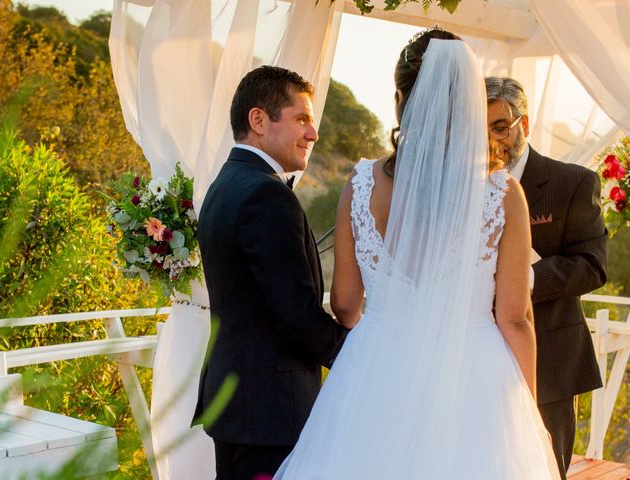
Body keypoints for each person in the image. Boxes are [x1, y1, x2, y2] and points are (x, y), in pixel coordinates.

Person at [274, 28, 560, 480]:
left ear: (401, 99)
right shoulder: (503, 192)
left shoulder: (361, 183)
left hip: (378, 366)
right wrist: (528, 411)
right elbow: (514, 317)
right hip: (474, 374)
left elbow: (346, 302)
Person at [192, 66, 348, 479]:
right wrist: (357, 354)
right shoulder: (265, 194)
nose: (313, 133)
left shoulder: (226, 185)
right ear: (258, 120)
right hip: (269, 409)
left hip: (242, 404)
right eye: (301, 118)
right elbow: (294, 311)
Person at [485, 76, 608, 479]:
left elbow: (592, 264)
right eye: (482, 127)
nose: (493, 139)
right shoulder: (463, 186)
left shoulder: (573, 182)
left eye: (500, 126)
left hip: (550, 360)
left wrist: (524, 277)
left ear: (525, 122)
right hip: (475, 356)